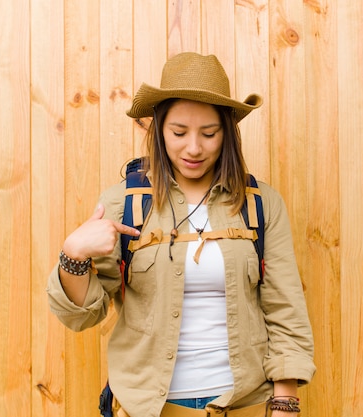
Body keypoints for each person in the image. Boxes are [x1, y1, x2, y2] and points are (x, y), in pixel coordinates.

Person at [47, 52, 316, 417]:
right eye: (178, 132)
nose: (194, 147)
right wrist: (73, 255)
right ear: (158, 128)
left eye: (209, 133)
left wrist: (285, 402)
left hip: (243, 404)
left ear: (227, 133)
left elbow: (285, 309)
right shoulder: (123, 204)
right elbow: (84, 315)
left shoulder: (261, 204)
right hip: (146, 407)